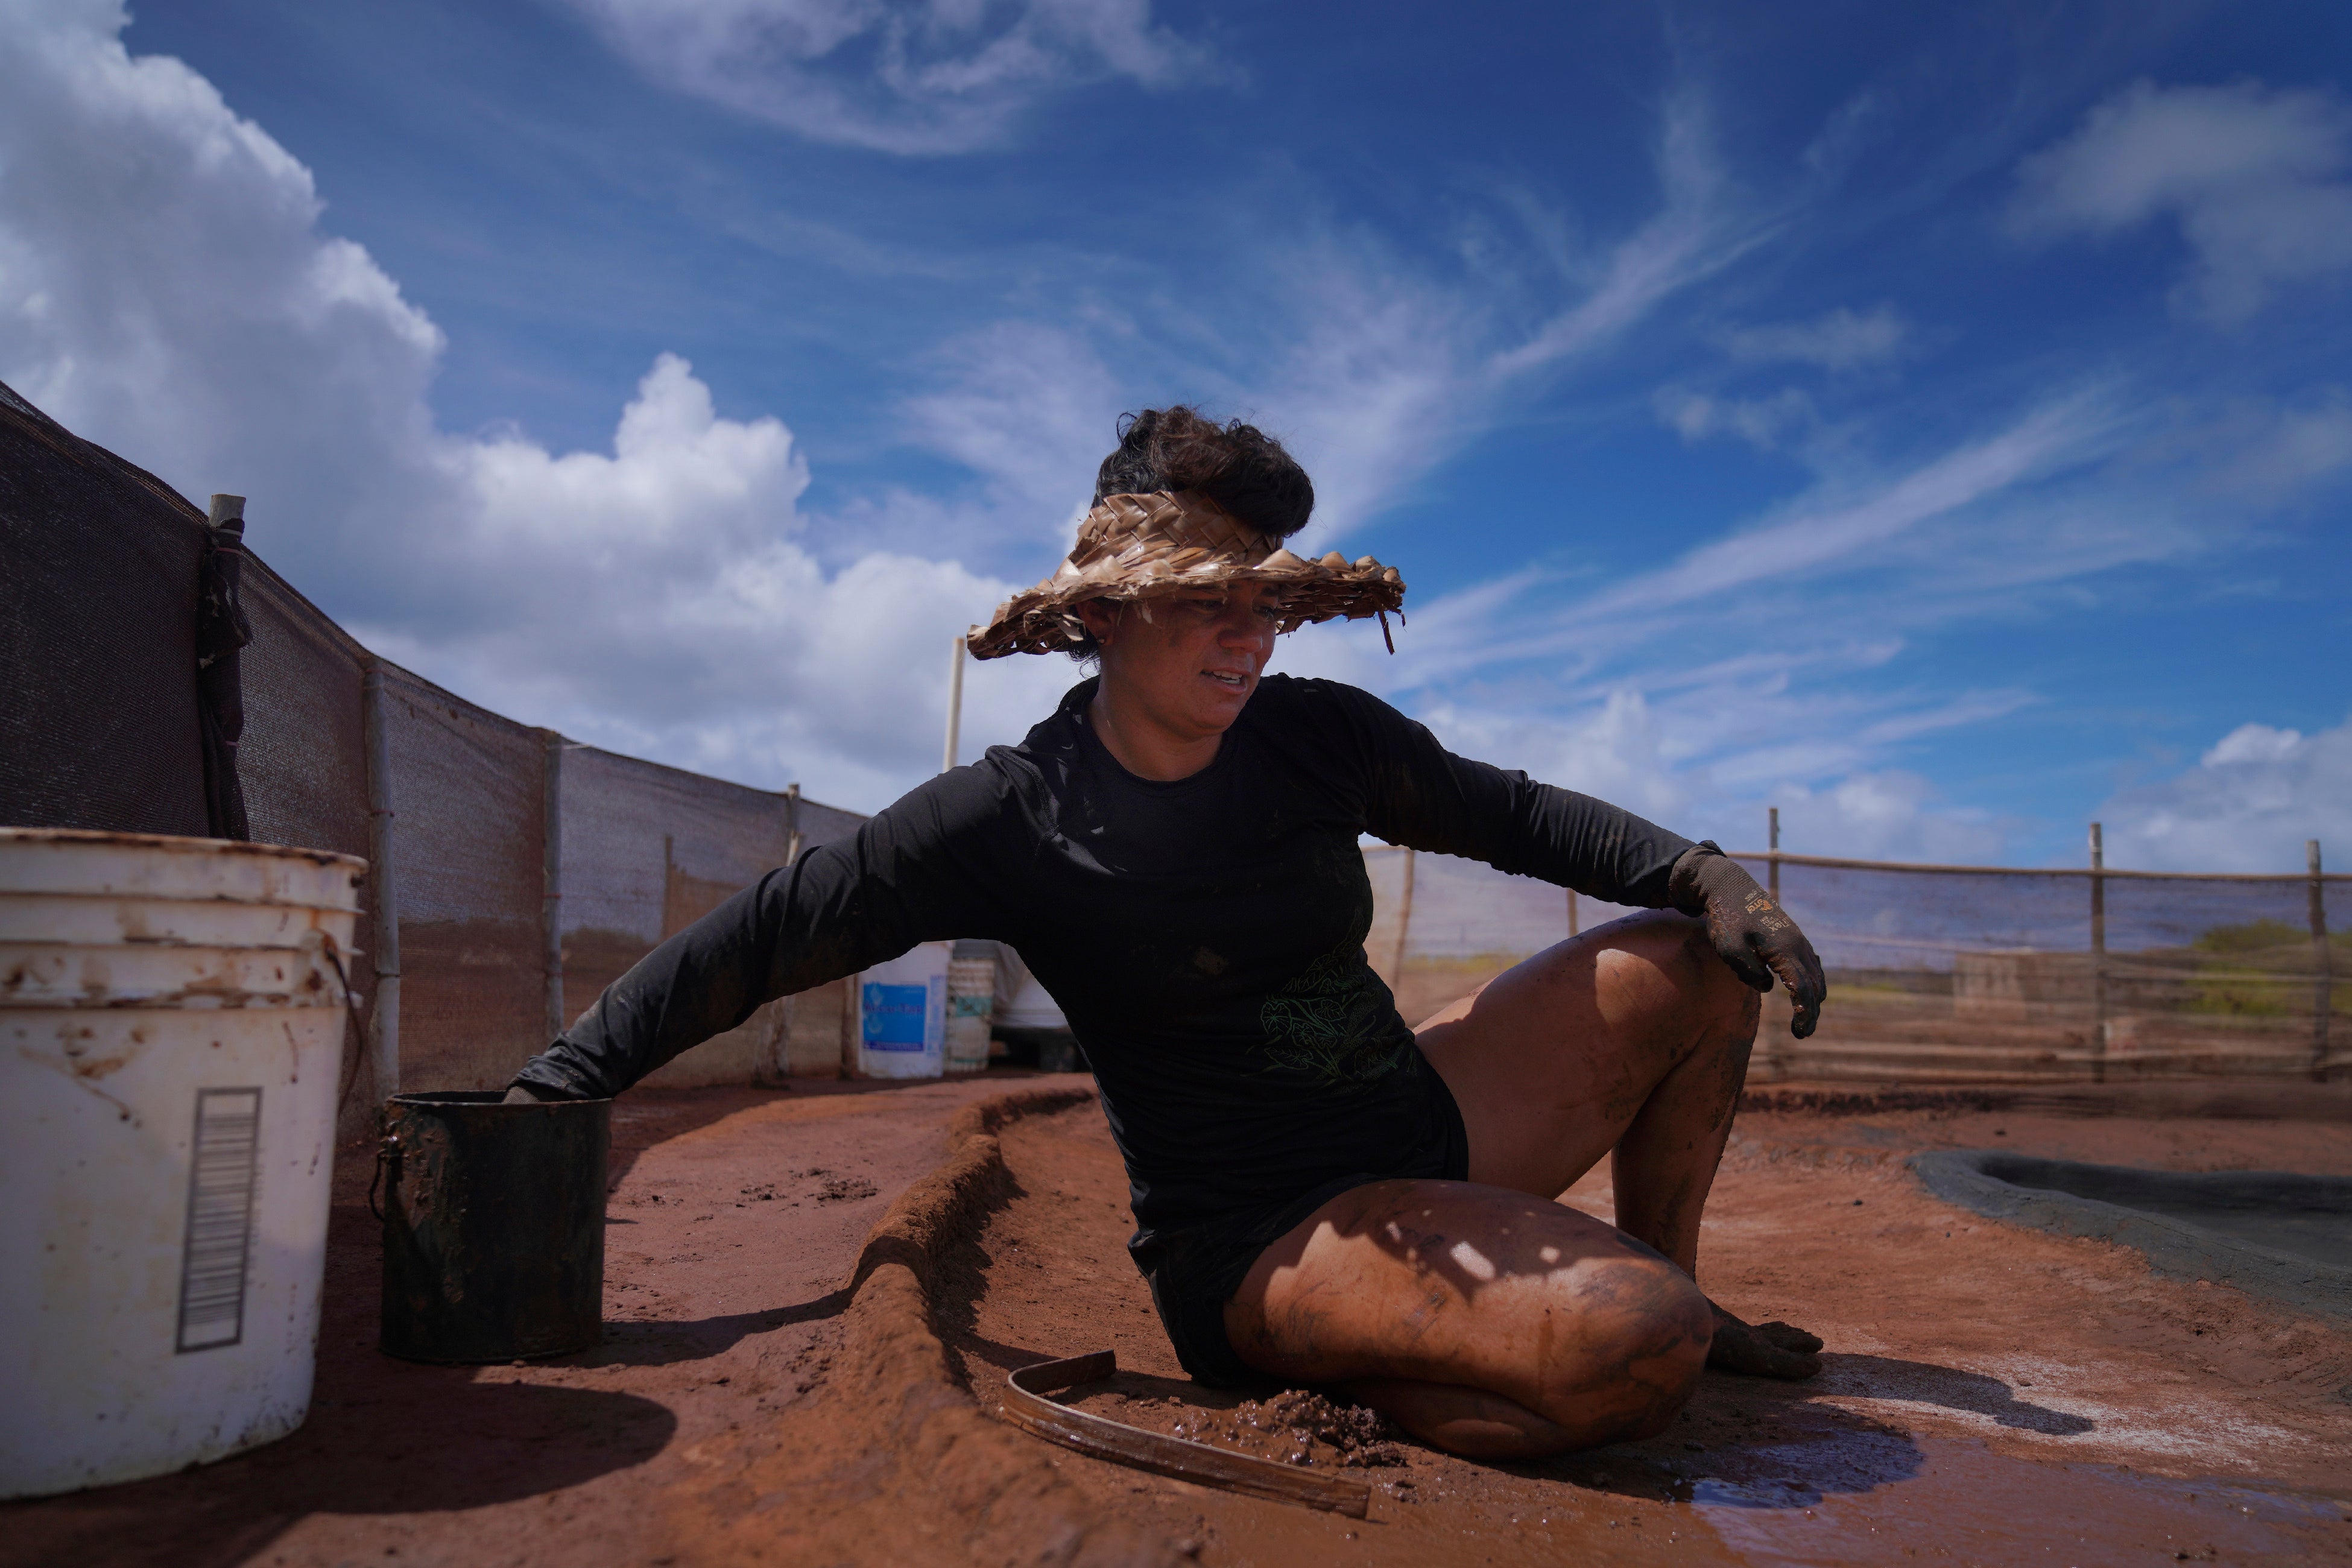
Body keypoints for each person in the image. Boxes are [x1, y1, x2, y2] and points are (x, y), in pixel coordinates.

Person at [505, 408, 1830, 1457]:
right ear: (1101, 612)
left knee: (1699, 961)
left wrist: (1698, 868)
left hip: (1432, 1123)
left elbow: (1520, 813)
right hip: (1265, 1238)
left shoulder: (1319, 737)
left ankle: (1681, 1281)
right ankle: (1406, 1360)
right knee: (1628, 1349)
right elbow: (769, 932)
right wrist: (560, 1085)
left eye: (1262, 600)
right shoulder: (1009, 819)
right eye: (1207, 597)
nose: (1249, 633)